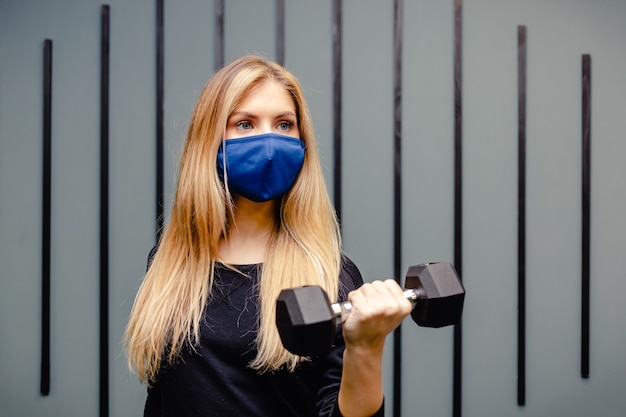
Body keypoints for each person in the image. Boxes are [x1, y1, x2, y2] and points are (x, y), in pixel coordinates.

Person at [123, 55, 412, 417]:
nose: (269, 143)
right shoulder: (169, 262)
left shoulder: (328, 276)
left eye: (284, 125)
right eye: (244, 124)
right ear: (210, 141)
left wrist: (367, 348)